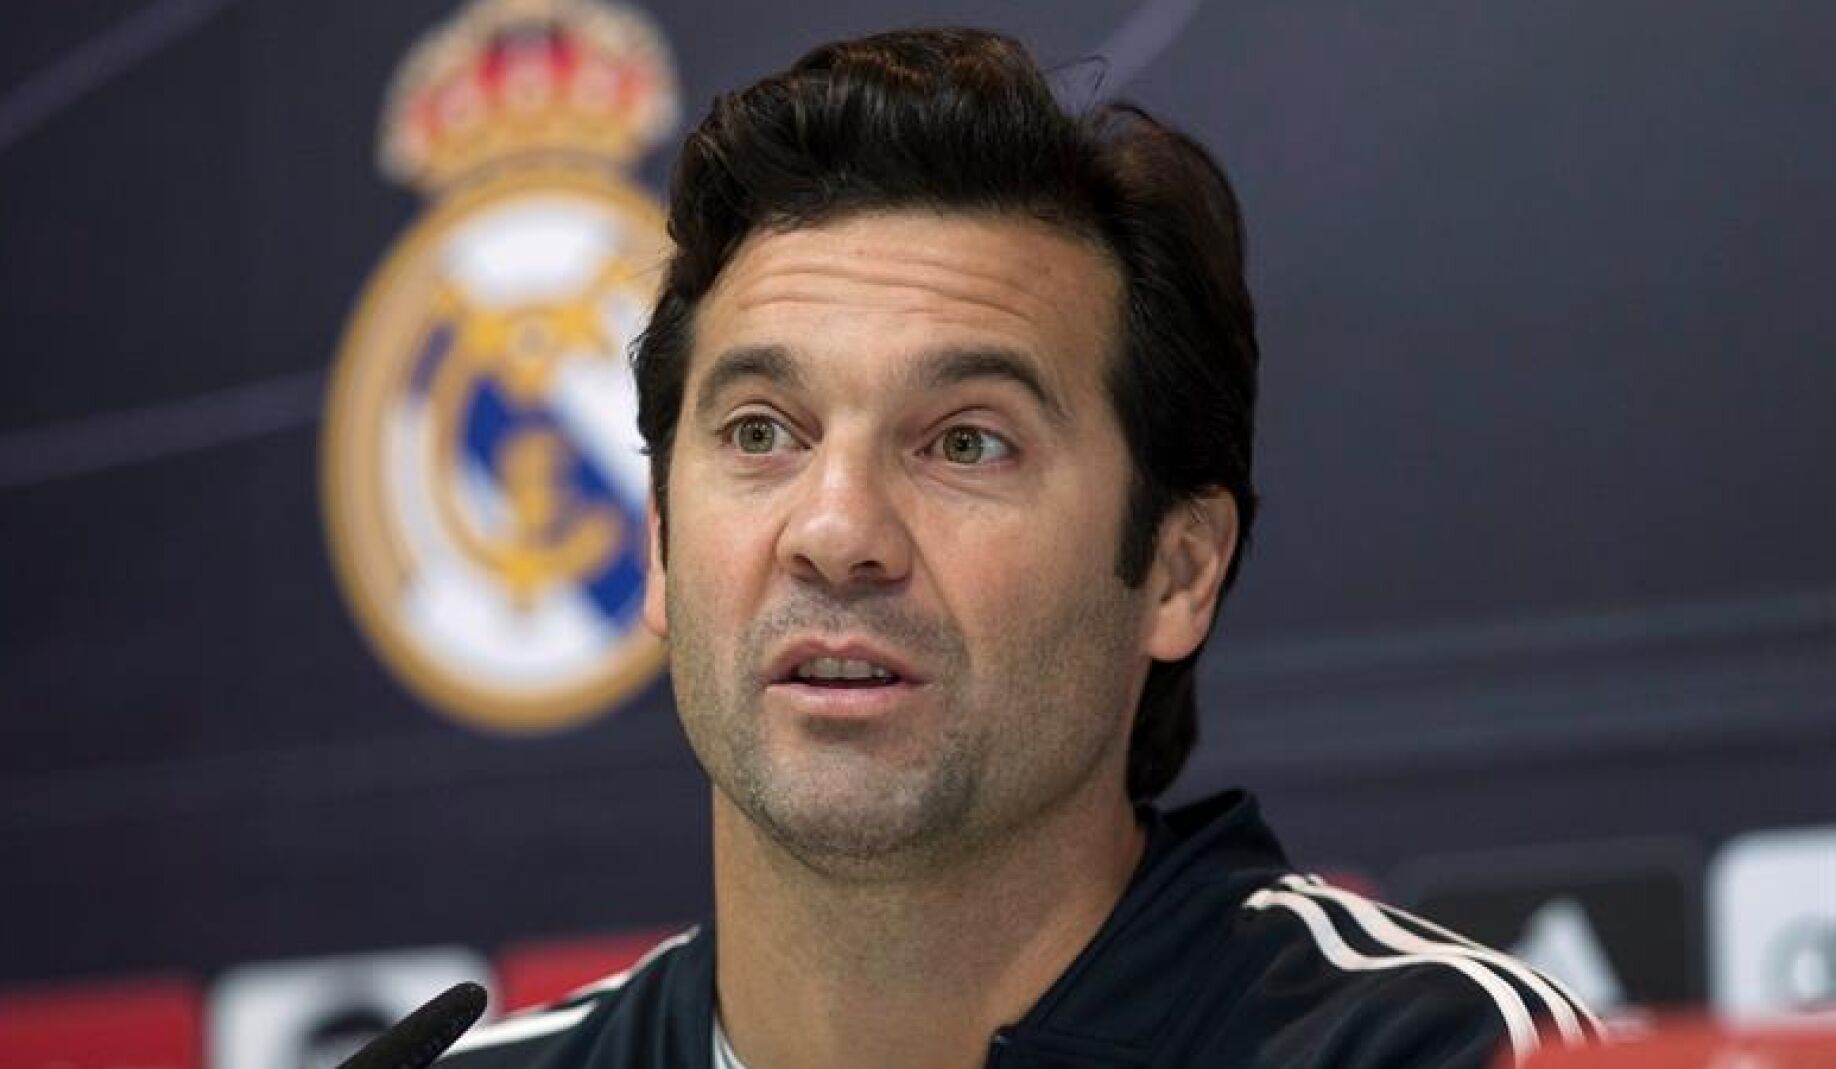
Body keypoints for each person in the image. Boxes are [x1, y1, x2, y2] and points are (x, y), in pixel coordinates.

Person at [444, 26, 1602, 1069]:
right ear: (656, 541)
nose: (836, 532)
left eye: (966, 442)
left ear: (1178, 569)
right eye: (761, 432)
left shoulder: (1435, 1055)